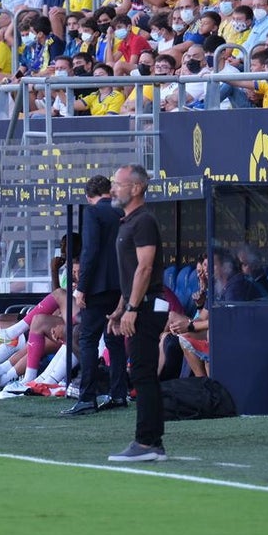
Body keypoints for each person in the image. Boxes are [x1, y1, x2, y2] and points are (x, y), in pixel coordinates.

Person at [107, 163, 169, 462]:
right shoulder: (128, 222)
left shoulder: (143, 221)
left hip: (147, 307)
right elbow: (131, 273)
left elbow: (145, 268)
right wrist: (121, 308)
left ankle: (147, 443)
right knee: (142, 373)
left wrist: (132, 308)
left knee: (144, 374)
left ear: (136, 188)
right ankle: (152, 441)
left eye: (117, 184)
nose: (112, 189)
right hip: (137, 306)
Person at [64, 174, 128, 416]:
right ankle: (119, 394)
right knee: (114, 339)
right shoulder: (122, 211)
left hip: (98, 288)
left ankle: (87, 398)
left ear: (88, 196)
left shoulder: (93, 213)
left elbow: (90, 251)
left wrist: (82, 288)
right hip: (120, 286)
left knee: (88, 340)